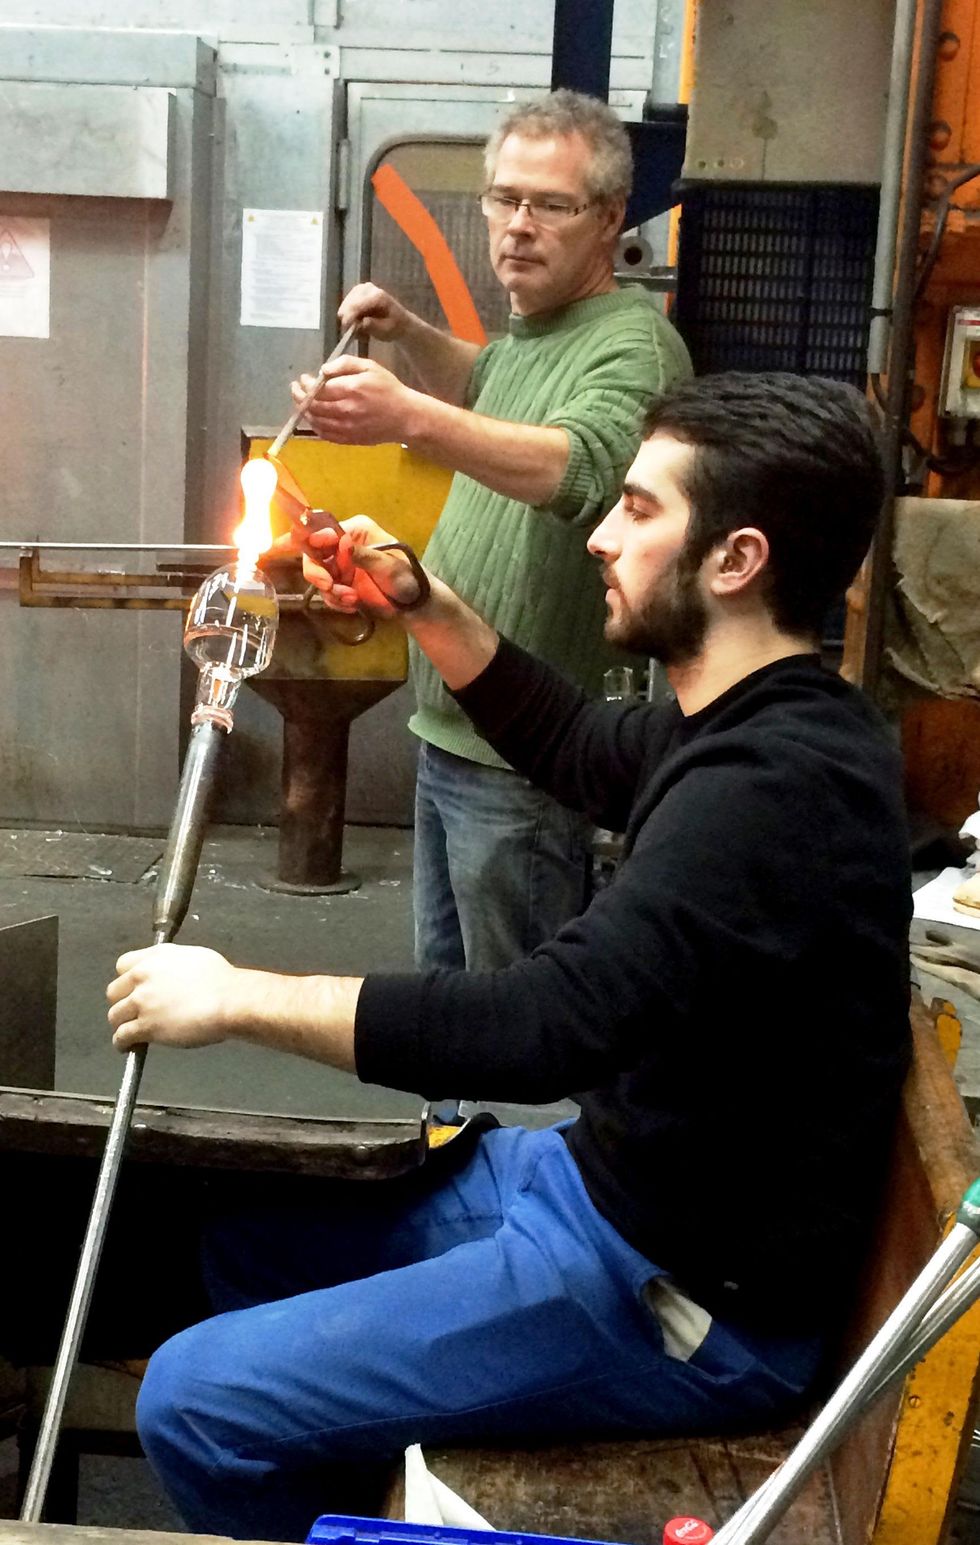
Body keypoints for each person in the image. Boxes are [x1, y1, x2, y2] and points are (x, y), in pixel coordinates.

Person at [107, 372, 912, 1544]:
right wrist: (421, 599)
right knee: (232, 1247)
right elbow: (575, 740)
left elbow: (539, 1029)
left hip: (679, 1298)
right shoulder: (757, 718)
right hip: (597, 1188)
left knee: (195, 1403)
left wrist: (233, 998)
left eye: (638, 509)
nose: (598, 535)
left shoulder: (772, 792)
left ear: (735, 560)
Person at [292, 89, 692, 971]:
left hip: (528, 756)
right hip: (455, 730)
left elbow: (583, 467)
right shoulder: (535, 336)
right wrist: (406, 331)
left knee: (519, 1008)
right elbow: (487, 385)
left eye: (551, 204)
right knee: (452, 1001)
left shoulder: (632, 345)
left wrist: (407, 416)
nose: (518, 225)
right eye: (505, 198)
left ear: (609, 219)